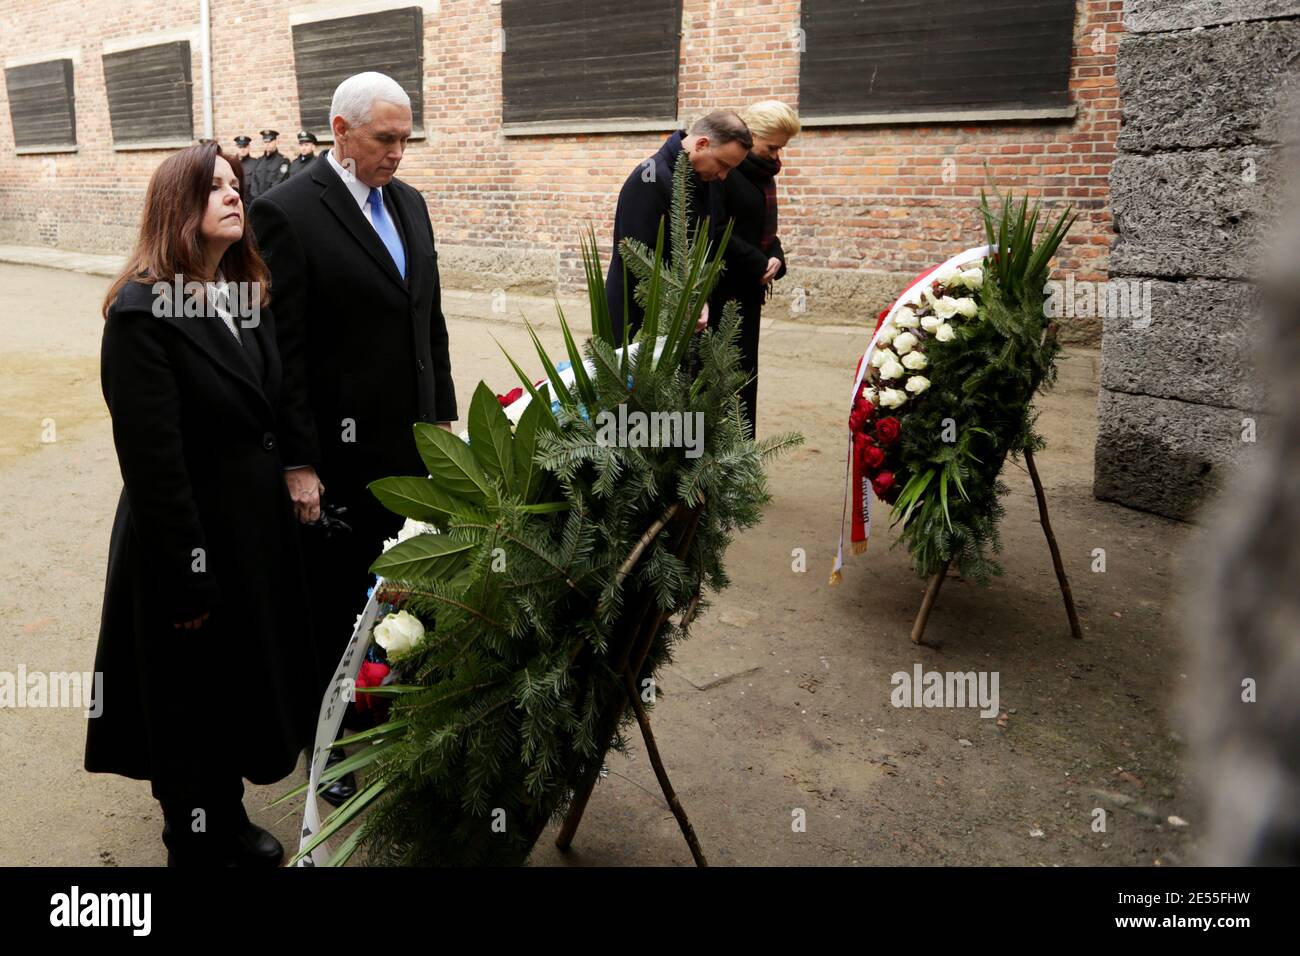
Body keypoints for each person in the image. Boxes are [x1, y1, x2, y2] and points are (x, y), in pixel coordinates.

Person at [85, 142, 319, 866]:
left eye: (235, 185)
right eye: (213, 187)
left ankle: (226, 813)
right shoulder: (141, 310)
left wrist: (294, 475)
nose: (233, 196)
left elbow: (272, 403)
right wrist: (186, 570)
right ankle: (194, 834)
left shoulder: (243, 290)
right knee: (184, 696)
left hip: (249, 532)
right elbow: (153, 462)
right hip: (181, 536)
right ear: (175, 208)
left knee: (230, 683)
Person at [250, 72, 458, 805]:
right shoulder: (286, 212)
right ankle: (330, 753)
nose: (398, 153)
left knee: (404, 596)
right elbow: (287, 353)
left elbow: (425, 317)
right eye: (384, 140)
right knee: (337, 610)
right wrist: (300, 462)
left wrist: (442, 416)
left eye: (406, 139)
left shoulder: (410, 204)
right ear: (340, 131)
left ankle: (393, 727)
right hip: (338, 463)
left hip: (411, 453)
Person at [605, 110, 752, 343]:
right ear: (702, 144)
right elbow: (636, 257)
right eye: (722, 164)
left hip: (685, 313)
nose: (724, 176)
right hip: (638, 316)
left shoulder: (707, 179)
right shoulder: (649, 177)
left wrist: (699, 298)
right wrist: (682, 302)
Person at [710, 100, 801, 434]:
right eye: (772, 147)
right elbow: (716, 229)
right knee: (722, 375)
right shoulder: (725, 171)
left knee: (745, 375)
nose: (778, 156)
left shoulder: (763, 173)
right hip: (723, 291)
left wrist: (776, 255)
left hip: (750, 290)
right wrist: (759, 261)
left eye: (781, 148)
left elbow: (764, 230)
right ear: (751, 136)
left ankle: (741, 453)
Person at [253, 129, 290, 198]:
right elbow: (254, 182)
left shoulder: (283, 161)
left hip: (274, 199)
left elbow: (280, 181)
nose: (267, 144)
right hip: (258, 201)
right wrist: (257, 198)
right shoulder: (259, 161)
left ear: (276, 141)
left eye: (270, 141)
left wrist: (266, 197)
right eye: (265, 141)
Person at [233, 135, 258, 202]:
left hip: (249, 201)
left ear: (249, 147)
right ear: (236, 148)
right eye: (240, 147)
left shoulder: (255, 163)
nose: (242, 149)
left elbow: (255, 187)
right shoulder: (231, 163)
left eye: (245, 147)